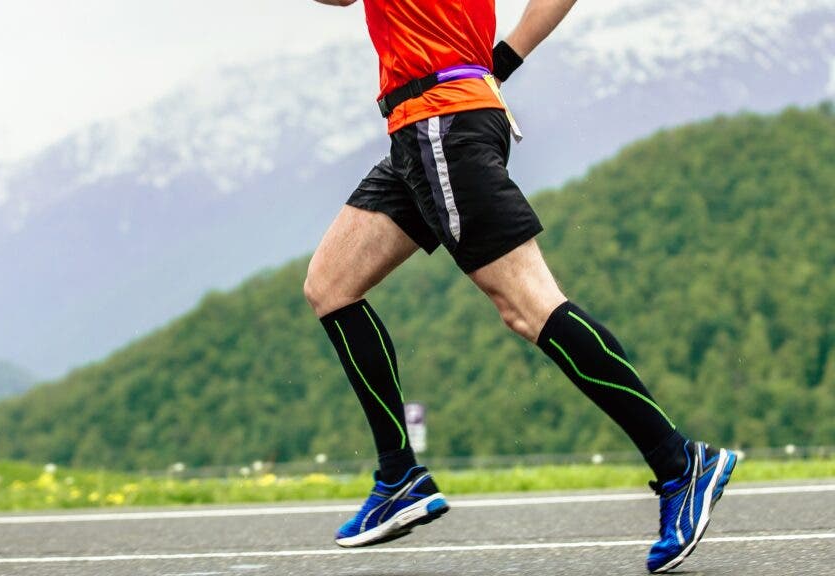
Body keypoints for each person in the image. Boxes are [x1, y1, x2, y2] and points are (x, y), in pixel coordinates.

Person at [303, 0, 738, 572]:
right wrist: (502, 59)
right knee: (331, 283)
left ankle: (680, 462)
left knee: (530, 306)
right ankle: (399, 475)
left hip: (441, 122)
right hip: (430, 124)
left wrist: (495, 62)